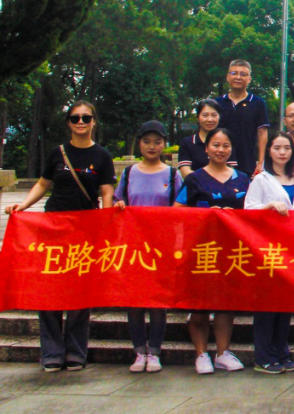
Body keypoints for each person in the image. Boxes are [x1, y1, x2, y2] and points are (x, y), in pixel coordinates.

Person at [6, 102, 116, 372]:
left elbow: (106, 192)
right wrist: (23, 206)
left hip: (85, 230)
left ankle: (76, 352)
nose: (81, 122)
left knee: (80, 292)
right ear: (68, 122)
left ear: (94, 121)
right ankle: (52, 352)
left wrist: (107, 223)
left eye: (86, 118)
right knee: (48, 290)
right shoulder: (58, 153)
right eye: (75, 118)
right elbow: (43, 184)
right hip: (52, 229)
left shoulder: (102, 155)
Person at [173, 127, 249, 374]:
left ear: (231, 149)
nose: (220, 150)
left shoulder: (243, 178)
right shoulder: (194, 179)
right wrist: (206, 215)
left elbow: (252, 212)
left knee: (226, 304)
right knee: (200, 305)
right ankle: (201, 354)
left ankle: (223, 353)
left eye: (226, 145)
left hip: (232, 251)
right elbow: (177, 211)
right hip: (201, 249)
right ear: (206, 149)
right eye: (216, 145)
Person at [115, 120, 183, 374]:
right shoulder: (129, 173)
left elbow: (180, 210)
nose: (152, 146)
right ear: (140, 144)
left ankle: (154, 351)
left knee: (157, 301)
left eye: (157, 142)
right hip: (133, 245)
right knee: (134, 301)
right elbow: (118, 201)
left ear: (164, 144)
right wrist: (119, 206)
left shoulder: (172, 175)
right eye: (146, 142)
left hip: (161, 246)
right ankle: (139, 351)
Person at [246, 132, 294, 374]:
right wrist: (268, 206)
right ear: (269, 151)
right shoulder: (261, 179)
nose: (282, 152)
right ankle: (263, 356)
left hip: (292, 249)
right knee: (267, 306)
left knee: (284, 304)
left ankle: (282, 352)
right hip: (267, 249)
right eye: (277, 148)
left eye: (287, 148)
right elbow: (248, 210)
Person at [214, 59, 270, 176]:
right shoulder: (217, 103)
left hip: (247, 164)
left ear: (249, 79)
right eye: (234, 73)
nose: (238, 77)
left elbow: (262, 133)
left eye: (243, 74)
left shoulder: (258, 103)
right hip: (220, 163)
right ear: (228, 77)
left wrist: (261, 162)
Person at [178, 99, 236, 176]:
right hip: (196, 183)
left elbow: (231, 171)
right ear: (198, 117)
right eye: (205, 115)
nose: (210, 119)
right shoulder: (187, 143)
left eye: (214, 115)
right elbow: (185, 172)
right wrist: (207, 180)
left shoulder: (226, 142)